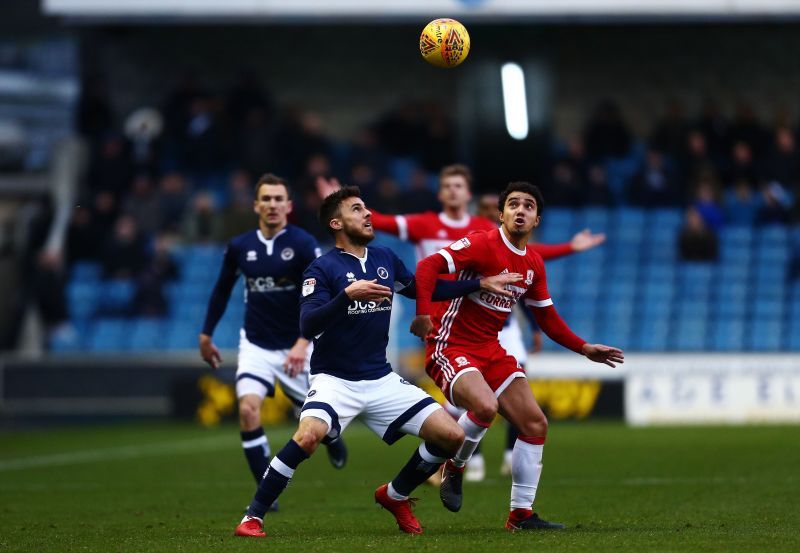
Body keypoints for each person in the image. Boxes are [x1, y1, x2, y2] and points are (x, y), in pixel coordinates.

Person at [234, 186, 521, 538]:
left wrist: (479, 283)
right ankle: (253, 516)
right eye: (358, 209)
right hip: (335, 380)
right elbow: (308, 324)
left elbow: (422, 289)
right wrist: (346, 296)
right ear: (337, 223)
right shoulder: (320, 268)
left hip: (381, 379)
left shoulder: (384, 258)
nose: (368, 214)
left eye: (368, 208)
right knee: (309, 436)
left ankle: (395, 495)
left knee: (452, 436)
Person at [412, 181, 624, 530]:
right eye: (513, 204)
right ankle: (456, 464)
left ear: (537, 218)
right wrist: (422, 313)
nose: (520, 210)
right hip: (450, 345)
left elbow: (547, 317)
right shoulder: (482, 243)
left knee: (535, 423)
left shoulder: (534, 264)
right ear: (501, 213)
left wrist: (584, 347)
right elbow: (428, 267)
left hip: (492, 350)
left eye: (528, 205)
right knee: (485, 407)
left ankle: (521, 516)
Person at [199, 173, 347, 510]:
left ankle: (335, 440)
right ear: (256, 205)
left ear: (289, 205)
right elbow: (222, 290)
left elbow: (320, 295)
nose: (272, 205)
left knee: (320, 424)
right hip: (256, 345)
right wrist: (206, 333)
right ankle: (266, 489)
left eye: (279, 199)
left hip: (297, 345)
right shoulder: (240, 247)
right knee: (249, 411)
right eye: (266, 199)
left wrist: (302, 341)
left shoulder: (303, 243)